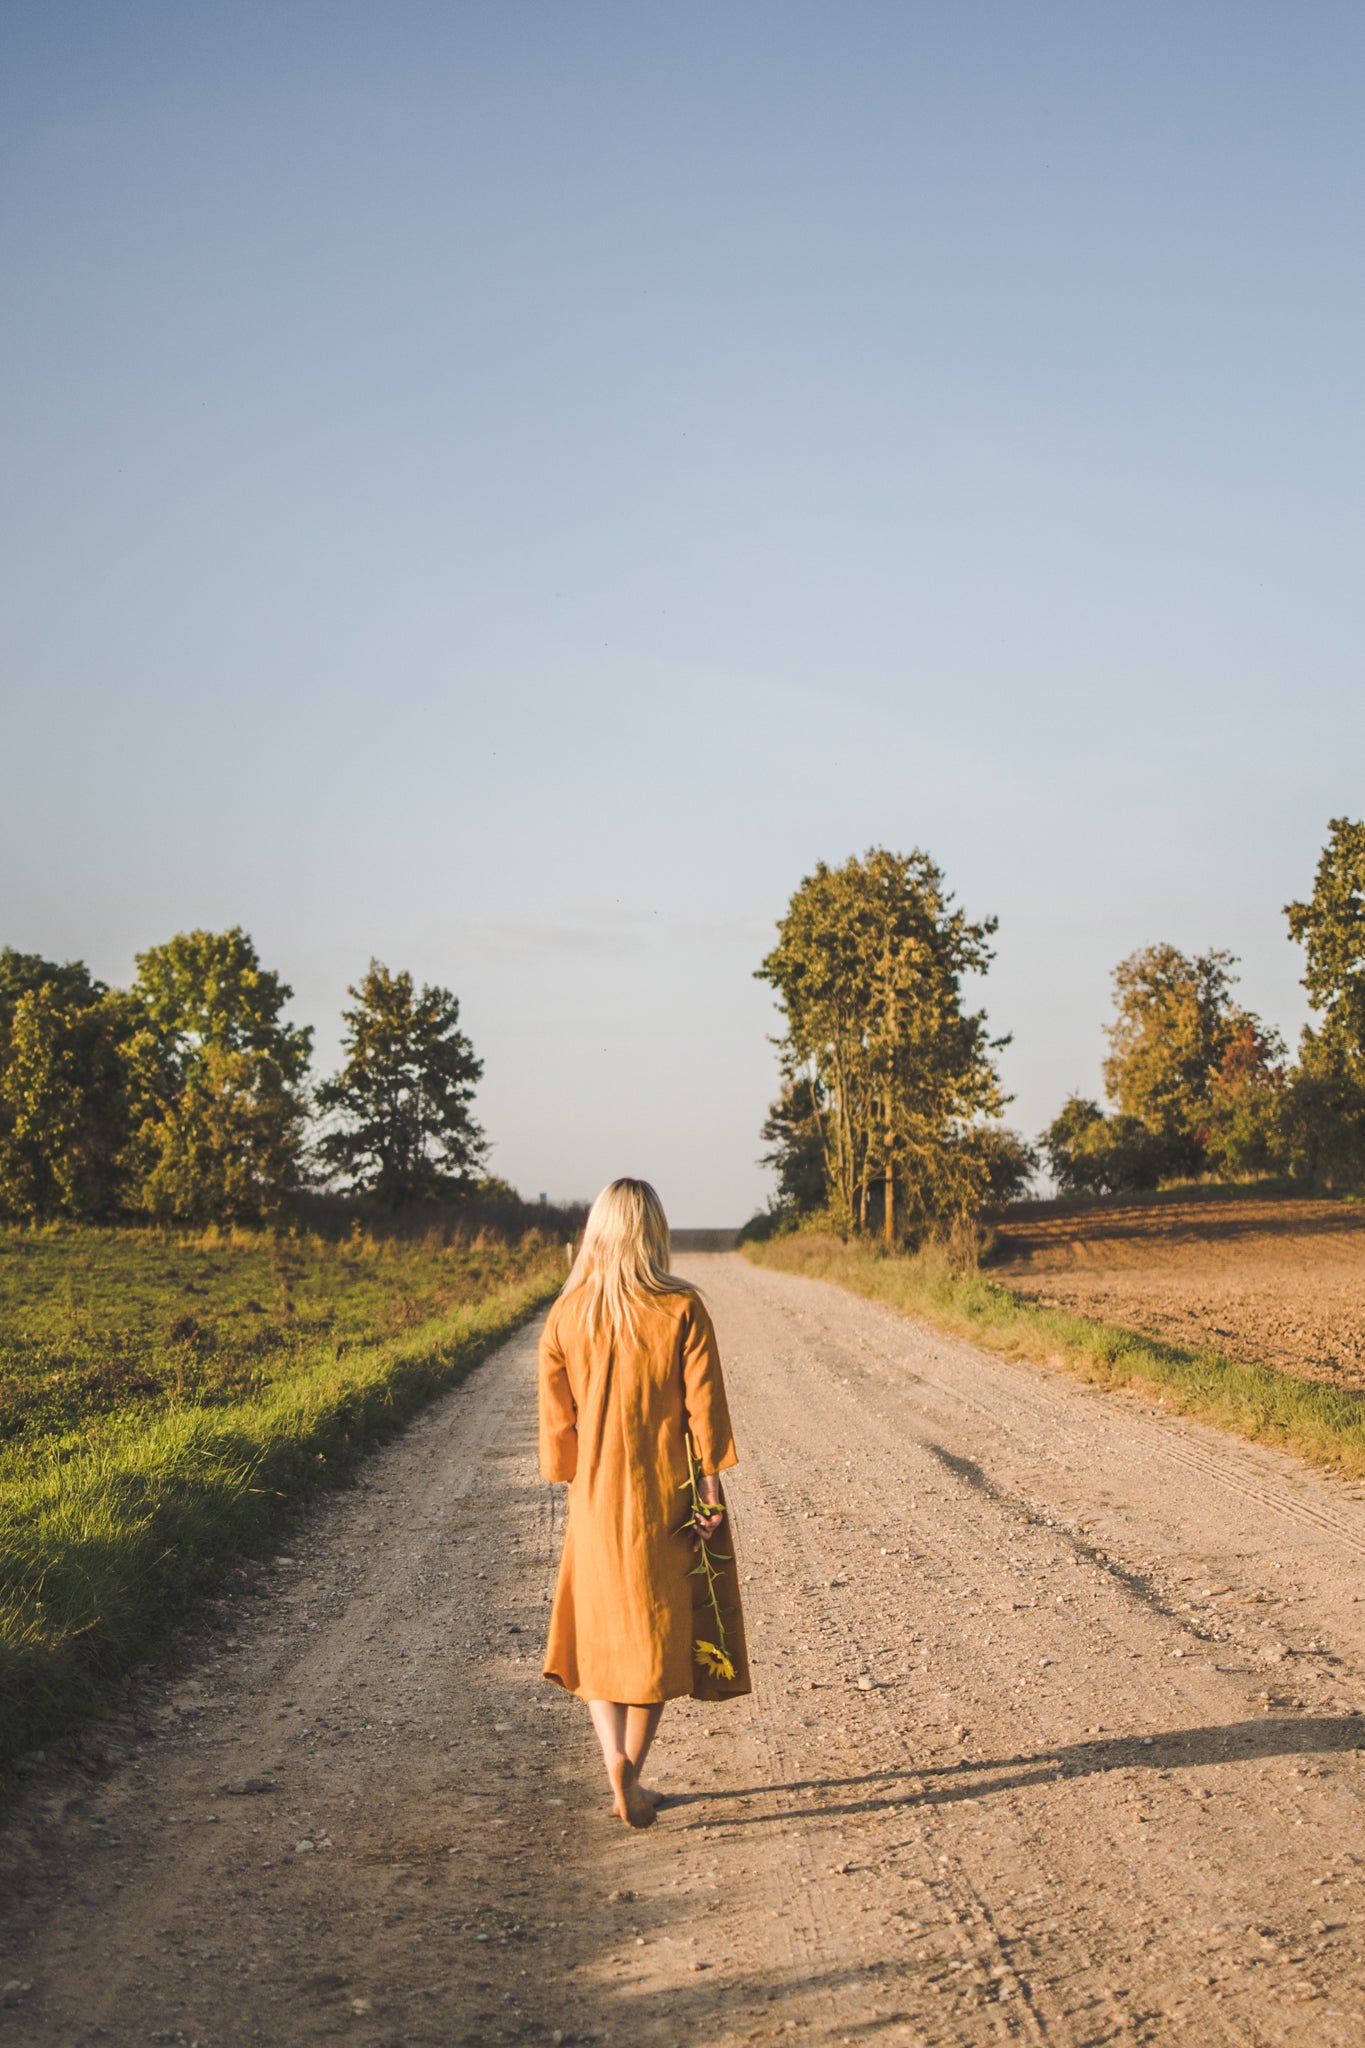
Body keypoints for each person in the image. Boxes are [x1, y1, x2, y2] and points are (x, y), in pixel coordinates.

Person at [538, 1178, 751, 1828]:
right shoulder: (681, 1307)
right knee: (659, 1635)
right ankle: (632, 1767)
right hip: (669, 1492)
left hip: (598, 1499)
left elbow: (556, 1422)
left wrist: (566, 1471)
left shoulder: (566, 1312)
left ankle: (613, 1764)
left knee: (602, 1639)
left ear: (597, 1230)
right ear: (653, 1231)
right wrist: (711, 1486)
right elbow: (703, 1406)